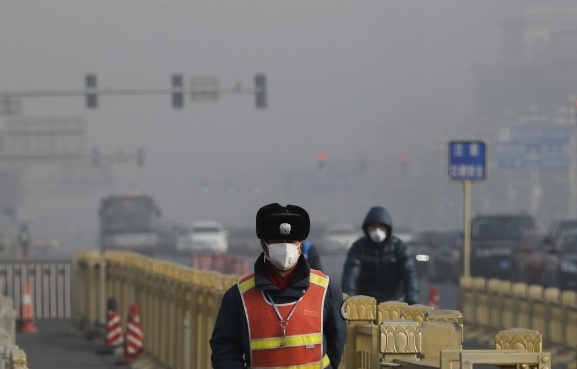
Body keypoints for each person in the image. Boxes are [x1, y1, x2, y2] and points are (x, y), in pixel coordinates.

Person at [210, 203, 347, 369]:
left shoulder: (327, 290)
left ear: (300, 246)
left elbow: (337, 343)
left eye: (291, 241)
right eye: (278, 242)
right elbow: (225, 349)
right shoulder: (239, 297)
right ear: (264, 245)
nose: (285, 248)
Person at [341, 206, 419, 304]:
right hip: (366, 303)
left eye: (381, 227)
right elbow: (350, 277)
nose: (377, 231)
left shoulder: (399, 247)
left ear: (387, 228)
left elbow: (409, 275)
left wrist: (412, 300)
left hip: (394, 301)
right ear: (367, 229)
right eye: (373, 227)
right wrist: (348, 301)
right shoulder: (358, 248)